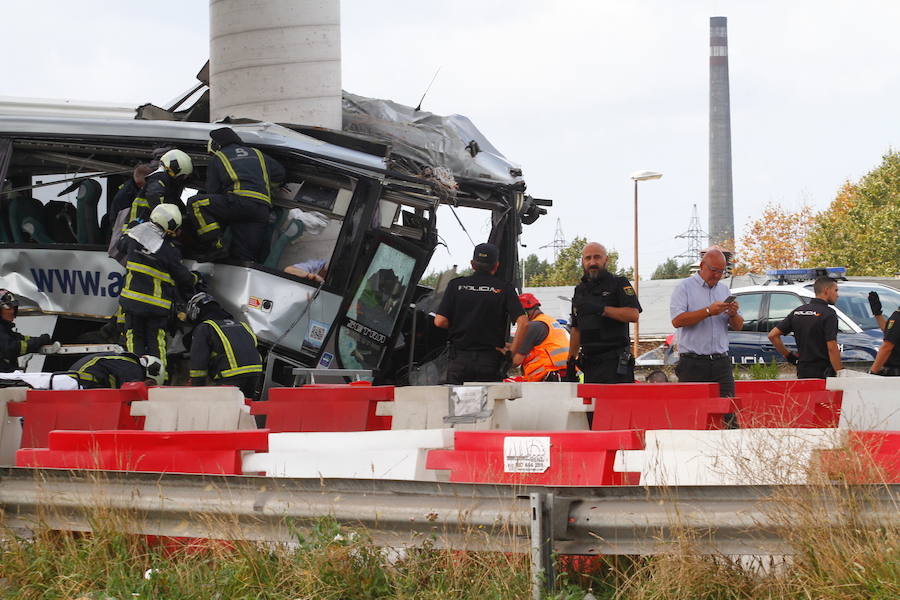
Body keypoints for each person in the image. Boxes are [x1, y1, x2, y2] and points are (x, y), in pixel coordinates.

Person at [117, 204, 195, 380]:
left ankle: (134, 377)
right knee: (156, 343)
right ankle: (160, 379)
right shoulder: (168, 250)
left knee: (133, 339)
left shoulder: (134, 235)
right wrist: (195, 279)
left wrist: (131, 227)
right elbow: (183, 277)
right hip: (157, 306)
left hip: (132, 303)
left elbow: (121, 245)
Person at [187, 127, 286, 263]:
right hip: (261, 209)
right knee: (245, 257)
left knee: (195, 204)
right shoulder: (257, 153)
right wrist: (266, 186)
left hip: (238, 202)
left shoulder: (219, 157)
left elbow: (212, 190)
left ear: (216, 145)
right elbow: (280, 173)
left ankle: (216, 246)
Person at [434, 242, 528, 384]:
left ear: (472, 264)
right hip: (490, 361)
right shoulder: (504, 288)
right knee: (489, 404)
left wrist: (461, 325)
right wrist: (510, 354)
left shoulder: (455, 285)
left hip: (459, 360)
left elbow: (439, 321)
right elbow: (523, 322)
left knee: (457, 404)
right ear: (496, 265)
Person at [670, 247, 742, 397]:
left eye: (721, 272)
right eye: (714, 270)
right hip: (693, 363)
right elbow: (677, 321)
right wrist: (708, 311)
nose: (717, 275)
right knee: (693, 413)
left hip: (721, 362)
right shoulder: (684, 288)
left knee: (729, 410)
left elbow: (739, 326)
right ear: (702, 266)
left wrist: (733, 314)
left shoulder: (724, 290)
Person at [566, 242, 641, 384]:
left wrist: (601, 309)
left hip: (615, 363)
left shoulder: (619, 283)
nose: (592, 262)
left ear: (606, 260)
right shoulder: (580, 290)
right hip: (589, 364)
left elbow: (633, 315)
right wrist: (570, 361)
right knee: (593, 406)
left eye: (597, 257)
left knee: (617, 406)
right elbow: (576, 328)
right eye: (588, 258)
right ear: (582, 261)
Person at [186, 291, 263, 399]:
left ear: (195, 311)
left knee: (224, 410)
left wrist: (197, 388)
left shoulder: (205, 327)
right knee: (244, 409)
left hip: (231, 376)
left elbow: (198, 361)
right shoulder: (242, 325)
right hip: (255, 373)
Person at [767, 277, 843, 379]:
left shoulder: (798, 311)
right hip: (823, 373)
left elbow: (773, 335)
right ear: (826, 290)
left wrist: (790, 357)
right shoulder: (828, 313)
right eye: (836, 290)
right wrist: (840, 374)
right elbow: (832, 347)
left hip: (803, 372)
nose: (837, 295)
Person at [512, 293, 570, 382]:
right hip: (564, 374)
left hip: (548, 376)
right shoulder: (548, 320)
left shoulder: (532, 326)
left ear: (525, 313)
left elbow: (516, 361)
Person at [126, 149, 193, 224]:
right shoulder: (158, 179)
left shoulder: (166, 183)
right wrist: (168, 220)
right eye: (181, 176)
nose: (181, 179)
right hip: (141, 225)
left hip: (143, 226)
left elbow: (174, 201)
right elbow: (153, 195)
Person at [0, 290, 53, 372]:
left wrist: (40, 340)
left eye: (14, 308)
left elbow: (18, 338)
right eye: (8, 308)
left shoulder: (4, 329)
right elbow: (12, 348)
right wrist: (38, 342)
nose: (12, 311)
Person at [69, 352, 164, 389]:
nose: (146, 387)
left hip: (75, 381)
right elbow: (130, 394)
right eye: (149, 384)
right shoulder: (134, 368)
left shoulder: (124, 361)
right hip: (85, 383)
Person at [866, 291, 899, 376]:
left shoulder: (898, 317)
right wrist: (877, 314)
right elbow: (890, 333)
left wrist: (872, 372)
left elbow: (887, 346)